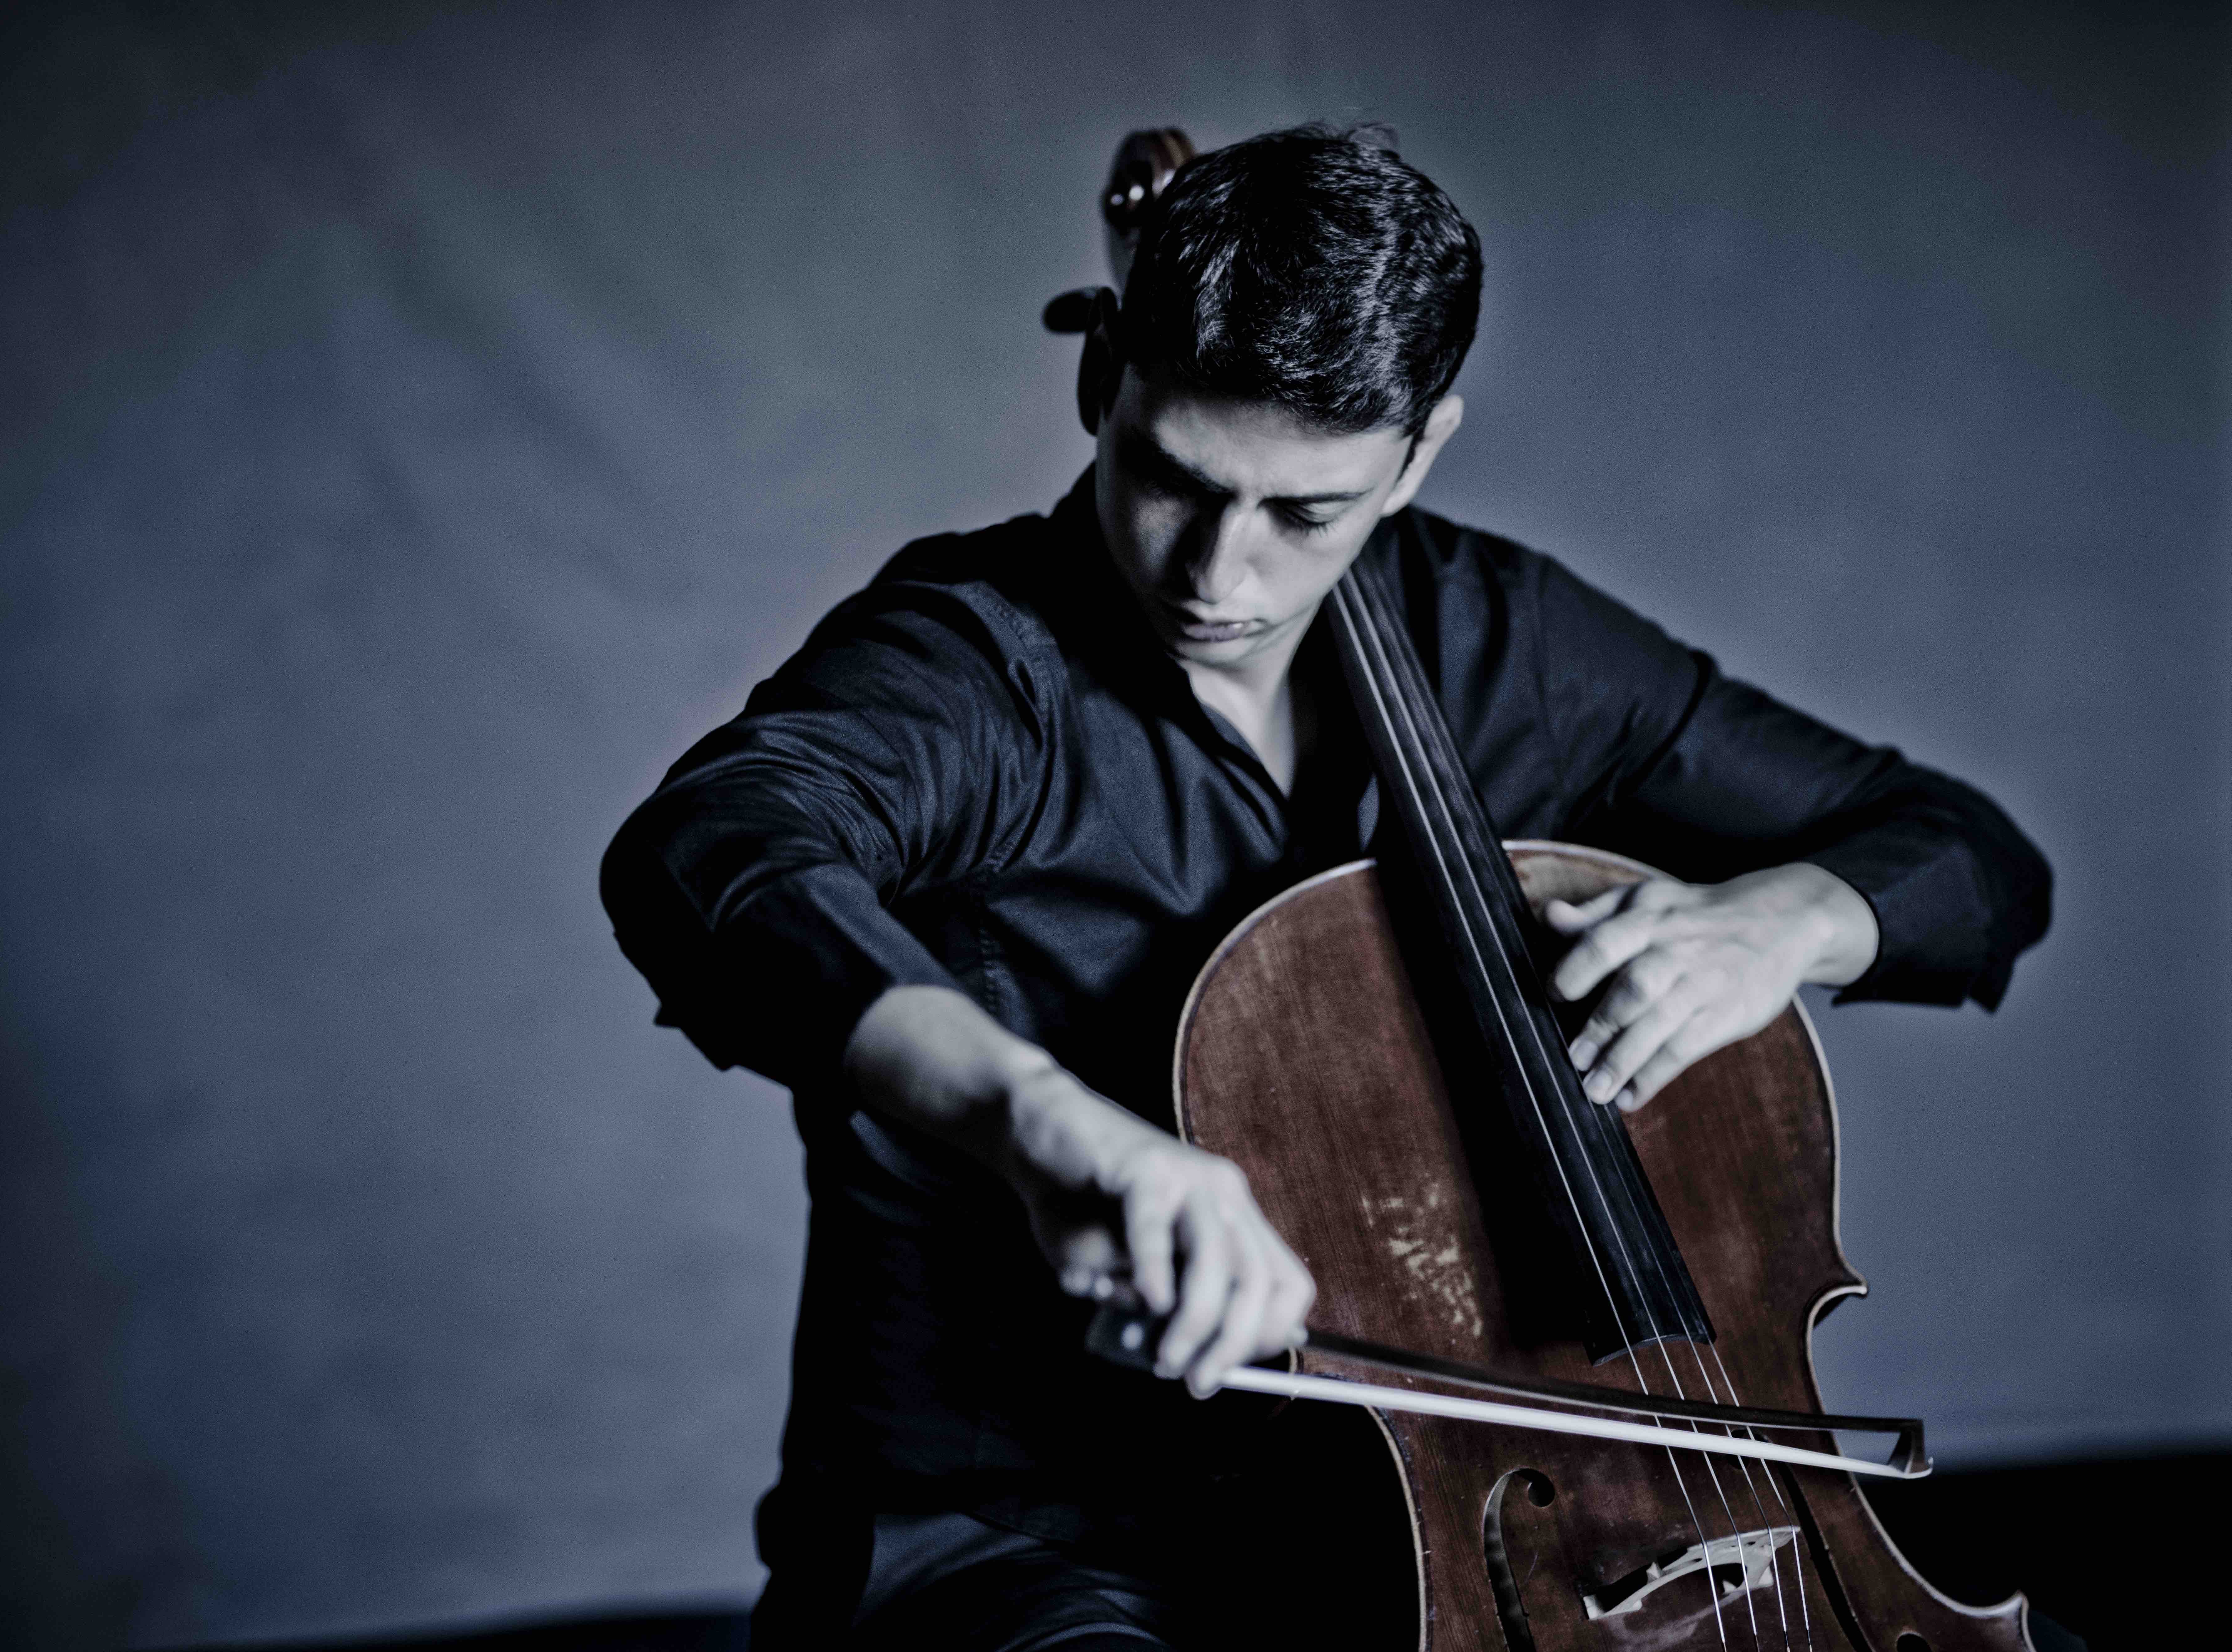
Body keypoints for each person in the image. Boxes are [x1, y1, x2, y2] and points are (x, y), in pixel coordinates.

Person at [600, 126, 2049, 1650]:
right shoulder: (974, 667)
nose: (1219, 575)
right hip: (1034, 1547)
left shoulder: (1501, 640)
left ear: (1420, 454)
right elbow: (715, 846)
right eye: (1172, 479)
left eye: (1307, 515)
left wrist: (1783, 920)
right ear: (1103, 385)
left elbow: (1970, 857)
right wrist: (1036, 1122)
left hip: (1459, 1529)